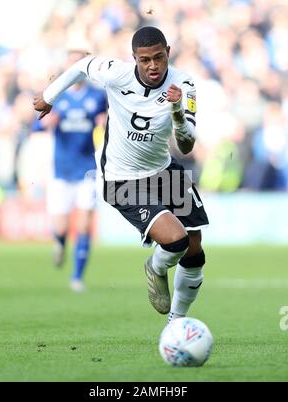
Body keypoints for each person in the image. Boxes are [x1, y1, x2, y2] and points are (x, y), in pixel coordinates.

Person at [33, 26, 209, 322]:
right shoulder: (116, 72)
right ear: (134, 59)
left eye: (158, 58)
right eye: (145, 60)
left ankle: (176, 323)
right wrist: (50, 97)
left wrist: (177, 110)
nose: (153, 66)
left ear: (168, 53)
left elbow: (187, 144)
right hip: (122, 178)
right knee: (175, 242)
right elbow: (80, 66)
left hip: (163, 170)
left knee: (194, 251)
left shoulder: (184, 83)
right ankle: (155, 267)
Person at [33, 43, 107, 292]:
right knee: (62, 226)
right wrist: (45, 124)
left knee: (85, 224)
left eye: (79, 61)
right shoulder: (56, 94)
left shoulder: (98, 95)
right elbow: (36, 125)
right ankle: (61, 243)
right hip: (61, 169)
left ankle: (77, 278)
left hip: (87, 167)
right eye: (71, 61)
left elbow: (110, 121)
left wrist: (104, 122)